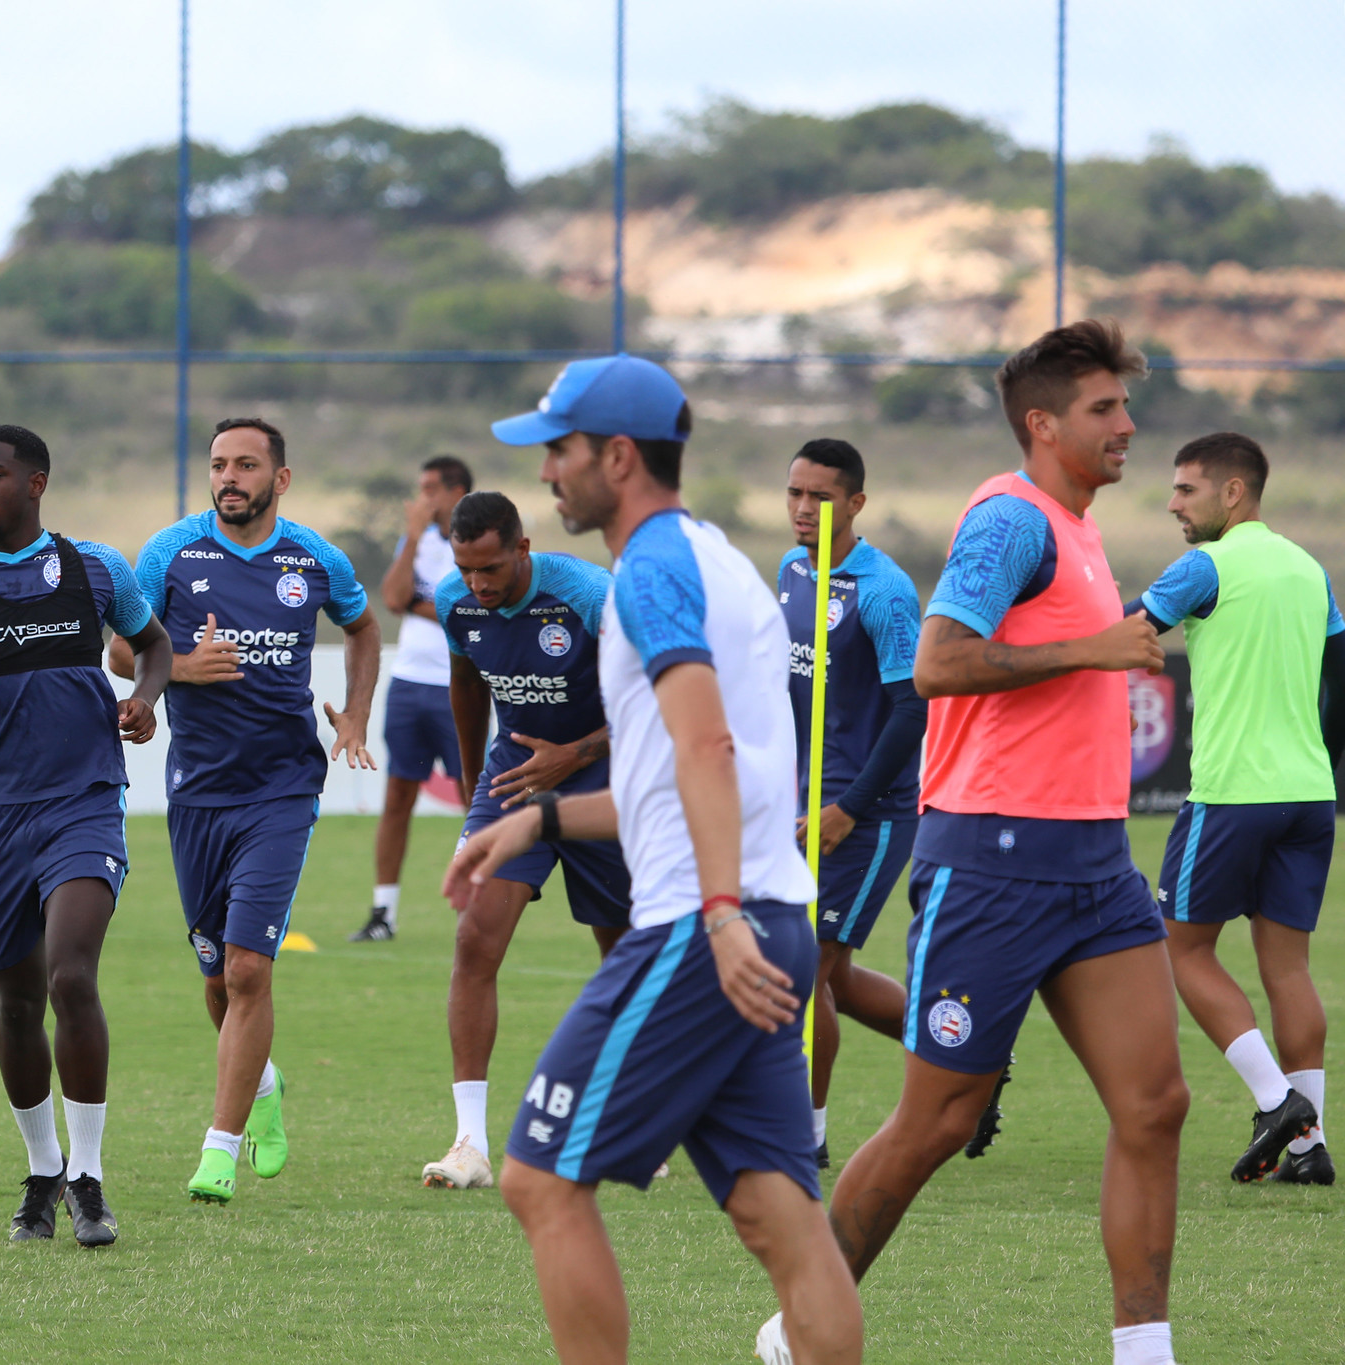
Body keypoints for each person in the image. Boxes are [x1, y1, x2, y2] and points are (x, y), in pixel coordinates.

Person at [449, 354, 861, 1365]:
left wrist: (714, 912)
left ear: (616, 456)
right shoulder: (717, 558)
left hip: (702, 929)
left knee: (538, 1180)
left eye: (559, 449)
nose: (547, 472)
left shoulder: (652, 571)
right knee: (781, 1222)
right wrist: (544, 823)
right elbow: (686, 777)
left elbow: (703, 745)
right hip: (771, 919)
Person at [809, 321, 1189, 1365]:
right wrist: (1093, 650)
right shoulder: (1006, 521)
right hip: (991, 861)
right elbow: (936, 665)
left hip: (1093, 866)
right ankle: (805, 1324)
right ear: (1042, 424)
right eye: (1102, 409)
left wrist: (1095, 654)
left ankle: (1141, 1352)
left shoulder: (1077, 526)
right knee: (935, 1123)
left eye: (1122, 405)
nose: (1124, 426)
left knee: (1154, 1107)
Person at [0, 423, 172, 1247]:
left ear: (37, 483)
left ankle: (90, 1181)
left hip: (84, 802)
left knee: (69, 976)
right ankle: (42, 1172)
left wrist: (147, 698)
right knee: (16, 1001)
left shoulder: (96, 568)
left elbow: (154, 645)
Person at [115, 415, 380, 1205]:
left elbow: (364, 628)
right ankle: (261, 1084)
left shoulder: (314, 558)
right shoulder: (169, 552)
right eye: (219, 464)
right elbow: (122, 649)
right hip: (196, 788)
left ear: (280, 479)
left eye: (246, 465)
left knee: (248, 966)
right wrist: (180, 671)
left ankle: (218, 1147)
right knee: (215, 976)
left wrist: (357, 715)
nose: (229, 477)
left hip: (283, 787)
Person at [1131, 431, 1339, 1185]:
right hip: (1310, 796)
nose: (1172, 503)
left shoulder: (1206, 566)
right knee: (1288, 968)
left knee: (1180, 947)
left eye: (1186, 489)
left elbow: (1126, 631)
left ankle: (1275, 1100)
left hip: (1229, 794)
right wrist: (1321, 765)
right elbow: (1339, 684)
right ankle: (1311, 1150)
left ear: (1232, 493)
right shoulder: (1310, 570)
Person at [420, 490, 630, 1192]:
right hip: (513, 782)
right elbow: (465, 687)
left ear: (523, 550)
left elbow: (655, 700)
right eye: (466, 568)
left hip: (606, 782)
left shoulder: (591, 596)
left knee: (622, 953)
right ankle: (470, 1144)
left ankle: (632, 1116)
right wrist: (477, 792)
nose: (479, 585)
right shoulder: (454, 599)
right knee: (475, 940)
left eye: (492, 570)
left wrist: (574, 755)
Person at [776, 439, 931, 1169]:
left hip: (867, 816)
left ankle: (805, 1138)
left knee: (806, 971)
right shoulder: (791, 570)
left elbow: (911, 710)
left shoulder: (885, 590)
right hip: (801, 805)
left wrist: (850, 807)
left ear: (856, 504)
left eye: (822, 497)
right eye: (795, 493)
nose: (805, 509)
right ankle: (974, 1054)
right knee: (831, 976)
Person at [352, 455, 472, 942]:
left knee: (474, 797)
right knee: (398, 798)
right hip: (408, 683)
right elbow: (395, 597)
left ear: (456, 491)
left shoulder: (478, 538)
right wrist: (416, 537)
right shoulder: (416, 539)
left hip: (459, 685)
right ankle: (384, 913)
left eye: (430, 489)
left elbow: (474, 612)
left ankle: (478, 904)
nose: (420, 499)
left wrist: (437, 610)